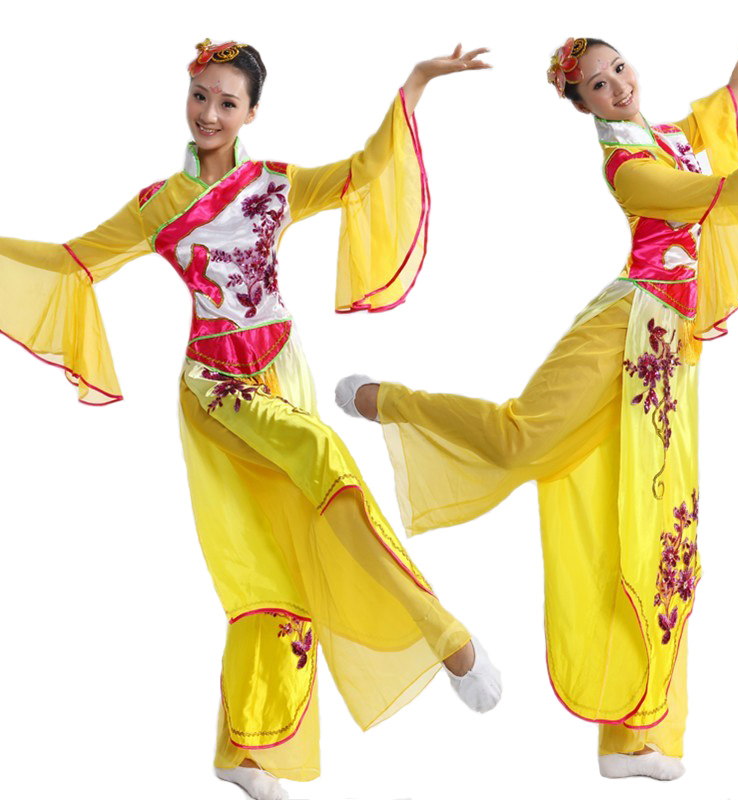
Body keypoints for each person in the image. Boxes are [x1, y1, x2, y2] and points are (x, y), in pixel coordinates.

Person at [0, 38, 502, 800]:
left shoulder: (274, 185)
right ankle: (446, 636)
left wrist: (417, 82)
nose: (208, 113)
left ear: (251, 114)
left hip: (282, 371)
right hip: (218, 389)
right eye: (200, 96)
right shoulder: (158, 205)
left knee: (277, 564)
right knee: (326, 457)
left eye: (226, 102)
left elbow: (365, 172)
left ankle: (244, 749)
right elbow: (73, 262)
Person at [335, 0, 738, 781]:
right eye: (599, 83)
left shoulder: (672, 137)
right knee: (519, 441)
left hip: (670, 356)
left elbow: (737, 94)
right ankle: (390, 400)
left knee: (660, 532)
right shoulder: (629, 168)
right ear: (582, 104)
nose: (618, 83)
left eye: (618, 67)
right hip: (623, 328)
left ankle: (636, 739)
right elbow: (723, 195)